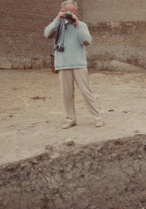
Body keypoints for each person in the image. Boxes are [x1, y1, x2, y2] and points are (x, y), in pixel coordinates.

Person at [44, 0, 104, 129]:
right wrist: (57, 19)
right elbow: (47, 34)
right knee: (66, 94)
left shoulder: (81, 25)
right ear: (63, 11)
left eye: (73, 11)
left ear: (77, 12)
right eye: (68, 11)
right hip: (63, 64)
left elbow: (87, 41)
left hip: (79, 64)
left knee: (86, 92)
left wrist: (76, 23)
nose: (70, 14)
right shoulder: (58, 24)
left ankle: (97, 118)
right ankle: (70, 119)